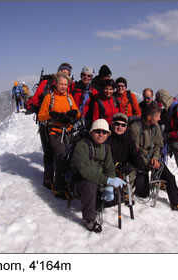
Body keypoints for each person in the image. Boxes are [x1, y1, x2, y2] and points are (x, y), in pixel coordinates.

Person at [70, 119, 126, 233]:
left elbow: (110, 168)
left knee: (118, 195)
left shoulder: (106, 148)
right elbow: (85, 171)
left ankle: (95, 203)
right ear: (91, 132)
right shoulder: (82, 146)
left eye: (104, 132)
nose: (101, 134)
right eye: (98, 131)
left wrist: (110, 187)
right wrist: (108, 180)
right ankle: (89, 219)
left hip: (99, 182)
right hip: (80, 183)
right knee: (90, 185)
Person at [129, 102, 178, 211]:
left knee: (170, 178)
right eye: (158, 116)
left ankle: (176, 203)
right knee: (144, 193)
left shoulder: (156, 127)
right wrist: (149, 162)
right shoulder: (135, 128)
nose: (159, 118)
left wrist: (155, 158)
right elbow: (134, 151)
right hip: (140, 161)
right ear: (149, 117)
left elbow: (158, 145)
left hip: (152, 159)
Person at [38, 71, 81, 199]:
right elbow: (41, 116)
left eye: (65, 84)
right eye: (61, 84)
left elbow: (78, 112)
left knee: (69, 157)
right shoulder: (49, 97)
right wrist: (51, 114)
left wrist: (74, 114)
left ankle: (66, 183)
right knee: (62, 157)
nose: (63, 86)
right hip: (55, 132)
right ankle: (59, 188)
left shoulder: (69, 97)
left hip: (68, 131)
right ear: (55, 84)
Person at [33, 63, 73, 189]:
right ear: (58, 73)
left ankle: (58, 179)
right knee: (49, 152)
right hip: (46, 124)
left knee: (61, 152)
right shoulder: (46, 84)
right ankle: (49, 179)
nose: (65, 74)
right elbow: (35, 101)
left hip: (62, 127)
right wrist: (49, 112)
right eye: (63, 71)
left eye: (68, 73)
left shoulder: (68, 88)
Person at [106, 113, 147, 198]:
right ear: (112, 124)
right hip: (109, 168)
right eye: (117, 124)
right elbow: (106, 157)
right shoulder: (107, 137)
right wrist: (118, 165)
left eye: (123, 125)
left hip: (123, 165)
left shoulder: (128, 137)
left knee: (133, 171)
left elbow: (134, 153)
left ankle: (126, 192)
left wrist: (141, 166)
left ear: (126, 127)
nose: (120, 127)